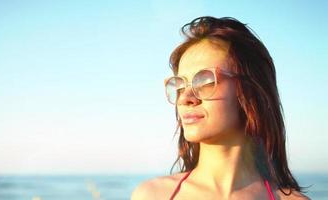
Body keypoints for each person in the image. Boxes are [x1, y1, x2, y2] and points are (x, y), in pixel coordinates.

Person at [131, 16, 309, 200]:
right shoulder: (153, 195)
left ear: (250, 91)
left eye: (205, 81)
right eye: (179, 86)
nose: (185, 98)